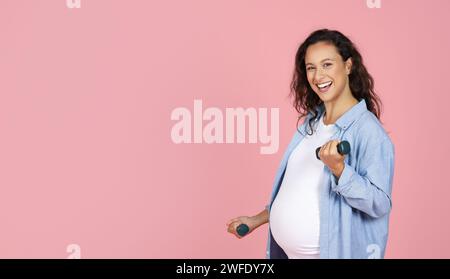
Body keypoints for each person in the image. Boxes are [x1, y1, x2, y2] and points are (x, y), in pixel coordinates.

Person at [226, 29, 395, 259]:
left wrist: (340, 170)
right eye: (311, 67)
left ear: (348, 66)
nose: (318, 76)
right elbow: (302, 188)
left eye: (327, 64)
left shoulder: (368, 131)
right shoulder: (311, 123)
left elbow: (379, 204)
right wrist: (258, 219)